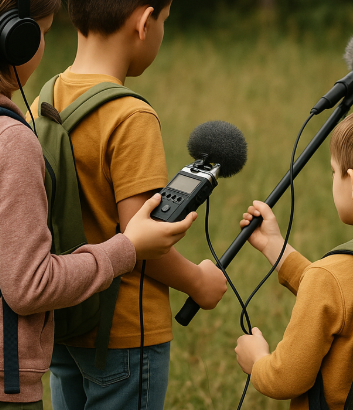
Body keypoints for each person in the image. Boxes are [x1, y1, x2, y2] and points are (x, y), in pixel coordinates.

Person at [28, 0, 228, 409]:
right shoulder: (130, 115)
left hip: (64, 322)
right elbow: (143, 245)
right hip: (123, 336)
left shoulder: (42, 100)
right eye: (165, 21)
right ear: (143, 21)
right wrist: (198, 283)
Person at [235, 100, 353, 409]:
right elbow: (348, 295)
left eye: (334, 172)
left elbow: (287, 378)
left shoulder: (332, 277)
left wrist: (258, 360)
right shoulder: (338, 277)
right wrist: (278, 251)